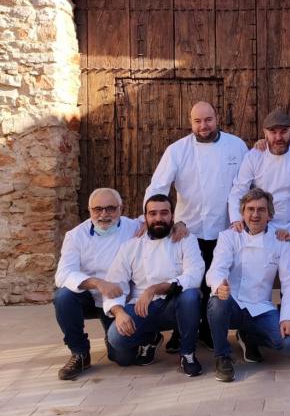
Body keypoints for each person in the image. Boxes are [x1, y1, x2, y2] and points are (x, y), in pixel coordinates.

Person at [144, 101, 247, 351]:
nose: (203, 126)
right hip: (186, 230)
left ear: (218, 117)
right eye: (197, 121)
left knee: (215, 283)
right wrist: (148, 218)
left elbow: (246, 182)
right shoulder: (177, 150)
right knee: (186, 283)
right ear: (190, 122)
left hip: (224, 229)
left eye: (208, 119)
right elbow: (158, 186)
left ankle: (210, 330)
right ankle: (181, 332)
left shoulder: (237, 146)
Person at [103, 194, 205, 376]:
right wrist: (118, 312)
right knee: (116, 339)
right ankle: (150, 338)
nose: (158, 218)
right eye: (153, 214)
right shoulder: (131, 247)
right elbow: (115, 283)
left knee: (191, 295)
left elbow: (195, 275)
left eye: (164, 213)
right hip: (142, 307)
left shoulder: (186, 240)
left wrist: (155, 288)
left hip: (174, 304)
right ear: (145, 217)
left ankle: (187, 352)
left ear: (172, 216)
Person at [206, 188, 290, 383]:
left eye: (261, 210)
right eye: (250, 209)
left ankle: (248, 336)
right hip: (232, 304)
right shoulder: (229, 236)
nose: (255, 215)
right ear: (242, 213)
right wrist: (219, 285)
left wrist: (289, 317)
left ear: (270, 214)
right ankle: (222, 357)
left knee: (289, 343)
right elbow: (217, 268)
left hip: (261, 307)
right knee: (217, 301)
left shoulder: (279, 240)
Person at [54, 188, 141, 380]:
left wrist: (180, 225)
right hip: (89, 298)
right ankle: (79, 353)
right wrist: (98, 283)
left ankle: (137, 336)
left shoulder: (134, 227)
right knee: (63, 297)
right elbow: (62, 274)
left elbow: (160, 221)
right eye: (98, 209)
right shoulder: (75, 235)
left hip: (120, 299)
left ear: (121, 209)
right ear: (89, 209)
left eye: (110, 209)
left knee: (124, 358)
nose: (104, 214)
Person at [228, 109, 290, 243]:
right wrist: (237, 219)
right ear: (265, 133)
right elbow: (239, 190)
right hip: (262, 228)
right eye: (273, 132)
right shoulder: (253, 157)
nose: (278, 137)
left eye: (284, 132)